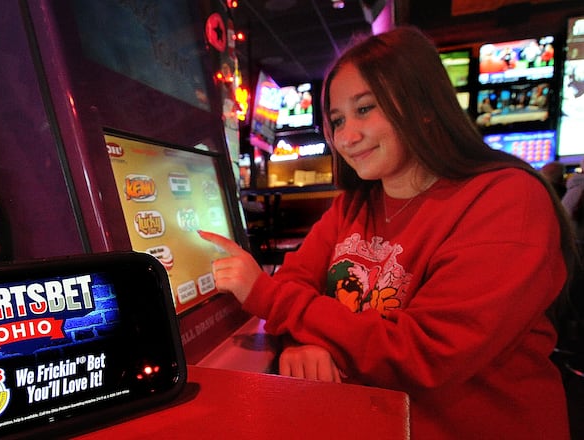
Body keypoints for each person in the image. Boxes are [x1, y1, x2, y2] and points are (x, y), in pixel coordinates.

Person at [199, 26, 576, 439]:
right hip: (366, 419)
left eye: (365, 109)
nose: (347, 136)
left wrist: (270, 299)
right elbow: (296, 280)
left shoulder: (507, 199)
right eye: (338, 120)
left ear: (424, 105)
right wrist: (303, 343)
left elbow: (428, 355)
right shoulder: (354, 205)